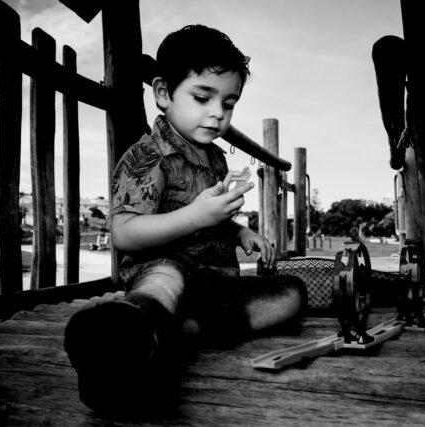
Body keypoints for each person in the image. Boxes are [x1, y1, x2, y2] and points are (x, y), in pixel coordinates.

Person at [64, 24, 307, 413]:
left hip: (214, 285)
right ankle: (124, 341)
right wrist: (194, 216)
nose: (217, 113)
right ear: (163, 93)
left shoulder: (216, 160)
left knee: (292, 293)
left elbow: (213, 219)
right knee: (164, 277)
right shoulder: (147, 156)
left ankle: (176, 331)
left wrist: (238, 231)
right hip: (163, 273)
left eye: (228, 103)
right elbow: (123, 233)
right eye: (202, 97)